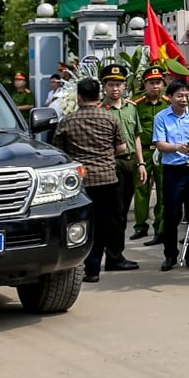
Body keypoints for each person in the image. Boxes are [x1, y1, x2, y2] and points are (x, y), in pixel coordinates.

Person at [52, 77, 135, 282]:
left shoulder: (67, 121)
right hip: (107, 178)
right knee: (104, 222)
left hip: (80, 182)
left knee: (80, 223)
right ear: (99, 96)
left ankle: (81, 265)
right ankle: (97, 267)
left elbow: (58, 151)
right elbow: (121, 148)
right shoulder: (110, 119)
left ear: (79, 97)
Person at [99, 61, 148, 265]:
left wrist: (141, 163)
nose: (115, 88)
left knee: (124, 209)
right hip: (111, 164)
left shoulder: (131, 108)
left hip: (130, 163)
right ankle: (114, 256)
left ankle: (116, 253)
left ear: (125, 85)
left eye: (118, 84)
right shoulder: (100, 110)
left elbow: (136, 136)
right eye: (110, 84)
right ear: (104, 86)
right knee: (115, 212)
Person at [152, 79, 189, 272]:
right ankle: (170, 255)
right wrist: (177, 148)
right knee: (172, 215)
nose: (183, 99)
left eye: (186, 95)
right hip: (173, 172)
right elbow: (160, 144)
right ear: (170, 97)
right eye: (179, 96)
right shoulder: (162, 117)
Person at [132, 67, 169, 242]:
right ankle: (140, 226)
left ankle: (160, 226)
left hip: (163, 151)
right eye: (151, 83)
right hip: (144, 151)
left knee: (163, 189)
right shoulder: (136, 105)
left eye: (158, 82)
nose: (155, 86)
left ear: (163, 84)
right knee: (141, 188)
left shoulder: (168, 103)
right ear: (145, 84)